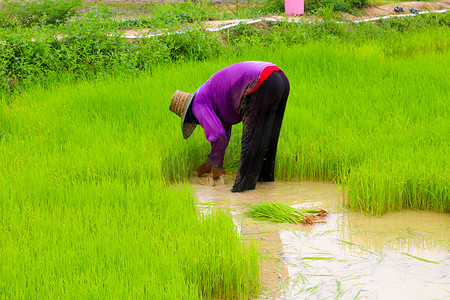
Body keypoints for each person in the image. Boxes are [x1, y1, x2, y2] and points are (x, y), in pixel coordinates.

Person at [169, 61, 290, 192]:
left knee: (251, 142)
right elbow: (224, 135)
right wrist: (209, 163)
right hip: (279, 79)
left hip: (260, 83)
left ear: (188, 116)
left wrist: (217, 167)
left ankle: (242, 193)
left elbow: (217, 135)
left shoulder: (197, 105)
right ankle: (266, 187)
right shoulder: (210, 97)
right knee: (268, 138)